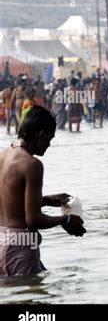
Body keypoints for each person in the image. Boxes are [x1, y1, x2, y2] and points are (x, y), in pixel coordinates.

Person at [0, 106, 86, 277]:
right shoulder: (32, 164)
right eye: (49, 138)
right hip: (20, 247)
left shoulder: (3, 156)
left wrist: (45, 200)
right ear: (40, 134)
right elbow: (33, 220)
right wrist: (66, 220)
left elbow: (9, 201)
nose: (49, 144)